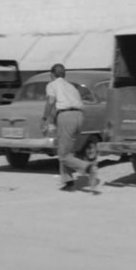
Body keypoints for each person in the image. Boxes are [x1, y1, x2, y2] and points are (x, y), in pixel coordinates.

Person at [41, 63, 100, 191]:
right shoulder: (71, 86)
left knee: (63, 155)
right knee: (66, 149)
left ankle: (88, 168)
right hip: (79, 117)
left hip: (66, 116)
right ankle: (68, 182)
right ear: (64, 74)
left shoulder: (52, 85)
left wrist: (45, 119)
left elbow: (51, 101)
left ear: (52, 75)